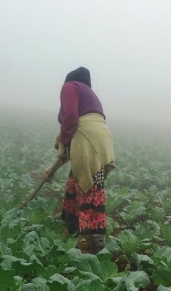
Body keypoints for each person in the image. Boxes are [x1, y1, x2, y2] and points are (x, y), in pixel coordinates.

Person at [51, 67, 115, 254]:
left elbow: (71, 118)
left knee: (89, 189)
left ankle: (90, 244)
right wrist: (62, 142)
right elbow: (78, 122)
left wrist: (63, 144)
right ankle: (71, 228)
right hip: (101, 140)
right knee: (76, 181)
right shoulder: (89, 94)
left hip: (87, 140)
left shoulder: (69, 86)